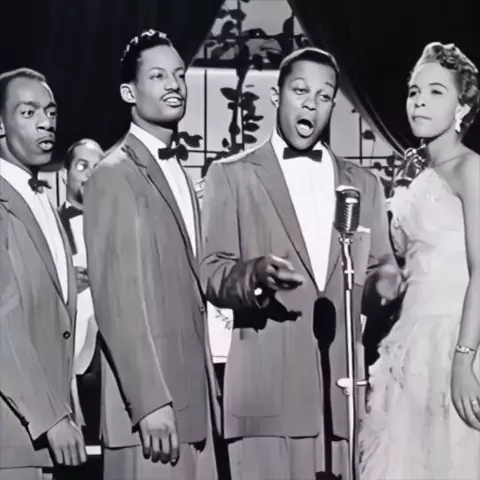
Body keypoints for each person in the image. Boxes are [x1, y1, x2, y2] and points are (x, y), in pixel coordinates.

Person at [200, 47, 396, 480]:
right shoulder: (231, 175)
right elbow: (212, 272)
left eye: (324, 96)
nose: (311, 104)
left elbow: (378, 268)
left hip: (342, 402)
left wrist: (386, 283)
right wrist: (255, 274)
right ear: (277, 95)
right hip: (266, 401)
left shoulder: (365, 184)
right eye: (300, 91)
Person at [82, 30, 219, 480]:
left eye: (179, 74)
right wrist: (149, 402)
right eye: (158, 76)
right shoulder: (113, 174)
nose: (174, 85)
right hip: (151, 419)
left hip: (194, 407)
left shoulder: (179, 171)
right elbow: (116, 301)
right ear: (129, 92)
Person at [359, 42, 480, 479]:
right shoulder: (415, 177)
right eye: (414, 92)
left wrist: (464, 359)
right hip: (409, 345)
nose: (419, 102)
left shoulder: (471, 170)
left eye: (435, 92)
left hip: (457, 341)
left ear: (462, 107)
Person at [0, 68, 86, 479]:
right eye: (28, 112)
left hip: (53, 437)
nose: (45, 122)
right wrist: (49, 416)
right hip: (14, 435)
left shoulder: (46, 204)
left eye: (50, 112)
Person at [58, 139, 103, 448]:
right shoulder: (47, 224)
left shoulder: (123, 224)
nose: (89, 174)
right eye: (82, 165)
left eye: (97, 167)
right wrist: (62, 282)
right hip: (66, 352)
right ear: (65, 174)